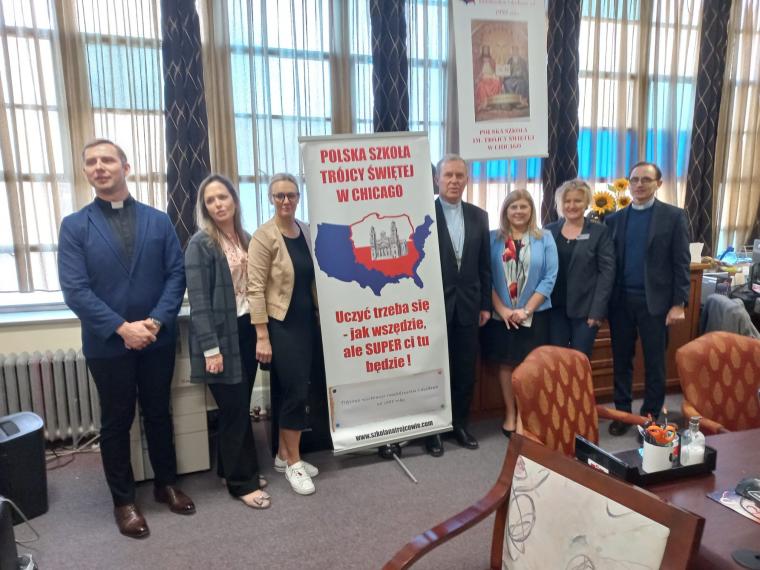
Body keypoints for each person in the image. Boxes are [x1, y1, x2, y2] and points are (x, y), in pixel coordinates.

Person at [58, 139, 194, 539]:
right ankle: (123, 501)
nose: (99, 167)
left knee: (158, 412)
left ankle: (165, 484)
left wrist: (155, 322)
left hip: (156, 339)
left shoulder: (159, 221)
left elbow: (176, 275)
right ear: (86, 171)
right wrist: (123, 328)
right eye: (91, 162)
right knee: (117, 422)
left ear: (126, 167)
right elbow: (75, 290)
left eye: (107, 160)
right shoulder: (74, 226)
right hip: (107, 345)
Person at [184, 175, 270, 510]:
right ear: (205, 208)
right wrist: (211, 349)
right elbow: (199, 302)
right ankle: (241, 483)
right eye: (210, 200)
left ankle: (228, 469)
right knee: (234, 410)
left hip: (246, 329)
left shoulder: (244, 237)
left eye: (223, 197)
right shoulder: (201, 244)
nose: (218, 204)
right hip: (220, 337)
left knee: (238, 406)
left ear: (234, 199)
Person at [248, 173, 321, 495]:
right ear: (271, 199)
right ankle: (294, 462)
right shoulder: (263, 237)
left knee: (297, 388)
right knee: (295, 392)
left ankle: (282, 455)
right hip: (281, 326)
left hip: (306, 323)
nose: (286, 201)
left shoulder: (304, 230)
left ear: (298, 197)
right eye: (279, 196)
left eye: (291, 195)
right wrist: (262, 336)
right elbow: (254, 290)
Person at [605, 162, 690, 435]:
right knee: (621, 361)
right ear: (628, 183)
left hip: (656, 304)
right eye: (634, 180)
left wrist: (679, 303)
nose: (639, 185)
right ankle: (622, 414)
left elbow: (681, 262)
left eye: (646, 180)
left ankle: (650, 419)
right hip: (621, 303)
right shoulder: (614, 219)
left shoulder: (673, 217)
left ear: (658, 184)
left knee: (655, 363)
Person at [426, 154, 492, 457]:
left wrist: (485, 304)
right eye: (448, 175)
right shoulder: (424, 213)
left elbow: (484, 265)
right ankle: (434, 431)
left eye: (459, 176)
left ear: (466, 180)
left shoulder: (479, 216)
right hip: (434, 307)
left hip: (469, 306)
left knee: (465, 369)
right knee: (436, 370)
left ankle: (459, 425)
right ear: (437, 179)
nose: (454, 181)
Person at [482, 190, 558, 437]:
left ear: (531, 210)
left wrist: (526, 310)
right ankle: (510, 414)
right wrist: (503, 310)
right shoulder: (492, 238)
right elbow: (485, 277)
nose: (518, 211)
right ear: (505, 211)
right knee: (506, 365)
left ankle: (527, 416)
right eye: (513, 207)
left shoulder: (544, 238)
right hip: (501, 317)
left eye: (523, 206)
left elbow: (549, 277)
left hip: (535, 316)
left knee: (531, 367)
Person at [545, 179, 615, 359]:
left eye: (577, 200)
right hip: (554, 310)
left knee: (580, 361)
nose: (571, 205)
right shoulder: (549, 230)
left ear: (586, 203)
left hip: (585, 312)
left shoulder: (599, 232)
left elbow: (607, 273)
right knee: (557, 361)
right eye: (567, 201)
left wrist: (597, 311)